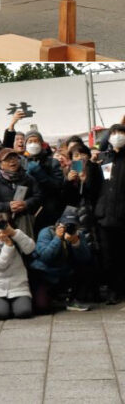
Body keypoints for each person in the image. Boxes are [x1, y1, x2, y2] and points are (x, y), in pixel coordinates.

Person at [29, 206, 94, 313]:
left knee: (88, 266)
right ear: (58, 223)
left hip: (63, 274)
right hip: (45, 274)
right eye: (66, 225)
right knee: (42, 307)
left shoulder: (77, 234)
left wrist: (75, 243)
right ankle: (50, 296)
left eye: (72, 225)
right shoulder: (46, 232)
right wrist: (57, 239)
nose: (69, 228)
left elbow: (86, 258)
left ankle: (75, 299)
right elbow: (45, 257)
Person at [0, 212, 35, 320]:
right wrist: (8, 245)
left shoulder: (17, 237)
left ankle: (14, 306)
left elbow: (30, 248)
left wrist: (15, 233)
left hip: (18, 285)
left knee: (24, 312)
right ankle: (4, 306)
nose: (2, 231)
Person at [0, 148, 42, 239]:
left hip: (24, 222)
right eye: (8, 159)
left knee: (25, 248)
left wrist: (26, 204)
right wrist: (7, 206)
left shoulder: (29, 179)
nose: (12, 161)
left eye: (15, 158)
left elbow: (39, 197)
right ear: (1, 164)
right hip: (2, 223)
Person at [95, 123, 125, 304]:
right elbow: (96, 186)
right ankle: (113, 290)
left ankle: (120, 288)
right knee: (108, 256)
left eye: (121, 132)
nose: (117, 136)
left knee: (122, 254)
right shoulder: (104, 159)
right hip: (105, 215)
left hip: (122, 214)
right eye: (114, 133)